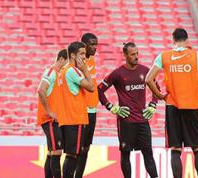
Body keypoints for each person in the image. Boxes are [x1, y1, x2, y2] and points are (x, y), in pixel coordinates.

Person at [145, 28, 198, 178]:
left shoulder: (164, 56)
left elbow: (148, 78)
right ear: (187, 40)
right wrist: (195, 82)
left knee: (175, 149)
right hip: (192, 106)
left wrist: (160, 95)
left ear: (173, 40)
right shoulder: (197, 56)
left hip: (172, 106)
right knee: (197, 148)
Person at [98, 42, 159, 178]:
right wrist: (111, 107)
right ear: (125, 55)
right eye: (133, 54)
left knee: (148, 155)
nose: (136, 57)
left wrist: (153, 105)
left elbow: (157, 88)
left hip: (143, 121)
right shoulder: (118, 73)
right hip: (126, 122)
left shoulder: (145, 71)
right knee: (125, 155)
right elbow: (99, 90)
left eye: (137, 53)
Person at [58, 42, 94, 178]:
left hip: (67, 119)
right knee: (73, 156)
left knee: (70, 155)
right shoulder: (72, 71)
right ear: (73, 55)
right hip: (75, 119)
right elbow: (91, 87)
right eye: (82, 54)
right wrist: (85, 70)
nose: (84, 57)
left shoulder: (63, 71)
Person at [37, 49, 68, 178]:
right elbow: (40, 90)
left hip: (55, 120)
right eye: (67, 62)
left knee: (51, 152)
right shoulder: (51, 72)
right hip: (49, 119)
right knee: (57, 151)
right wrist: (50, 111)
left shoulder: (59, 74)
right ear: (61, 59)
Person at [75, 33, 99, 178]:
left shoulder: (92, 60)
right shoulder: (77, 63)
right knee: (77, 148)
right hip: (80, 110)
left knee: (86, 147)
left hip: (92, 109)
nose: (95, 47)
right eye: (92, 44)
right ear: (83, 45)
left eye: (96, 44)